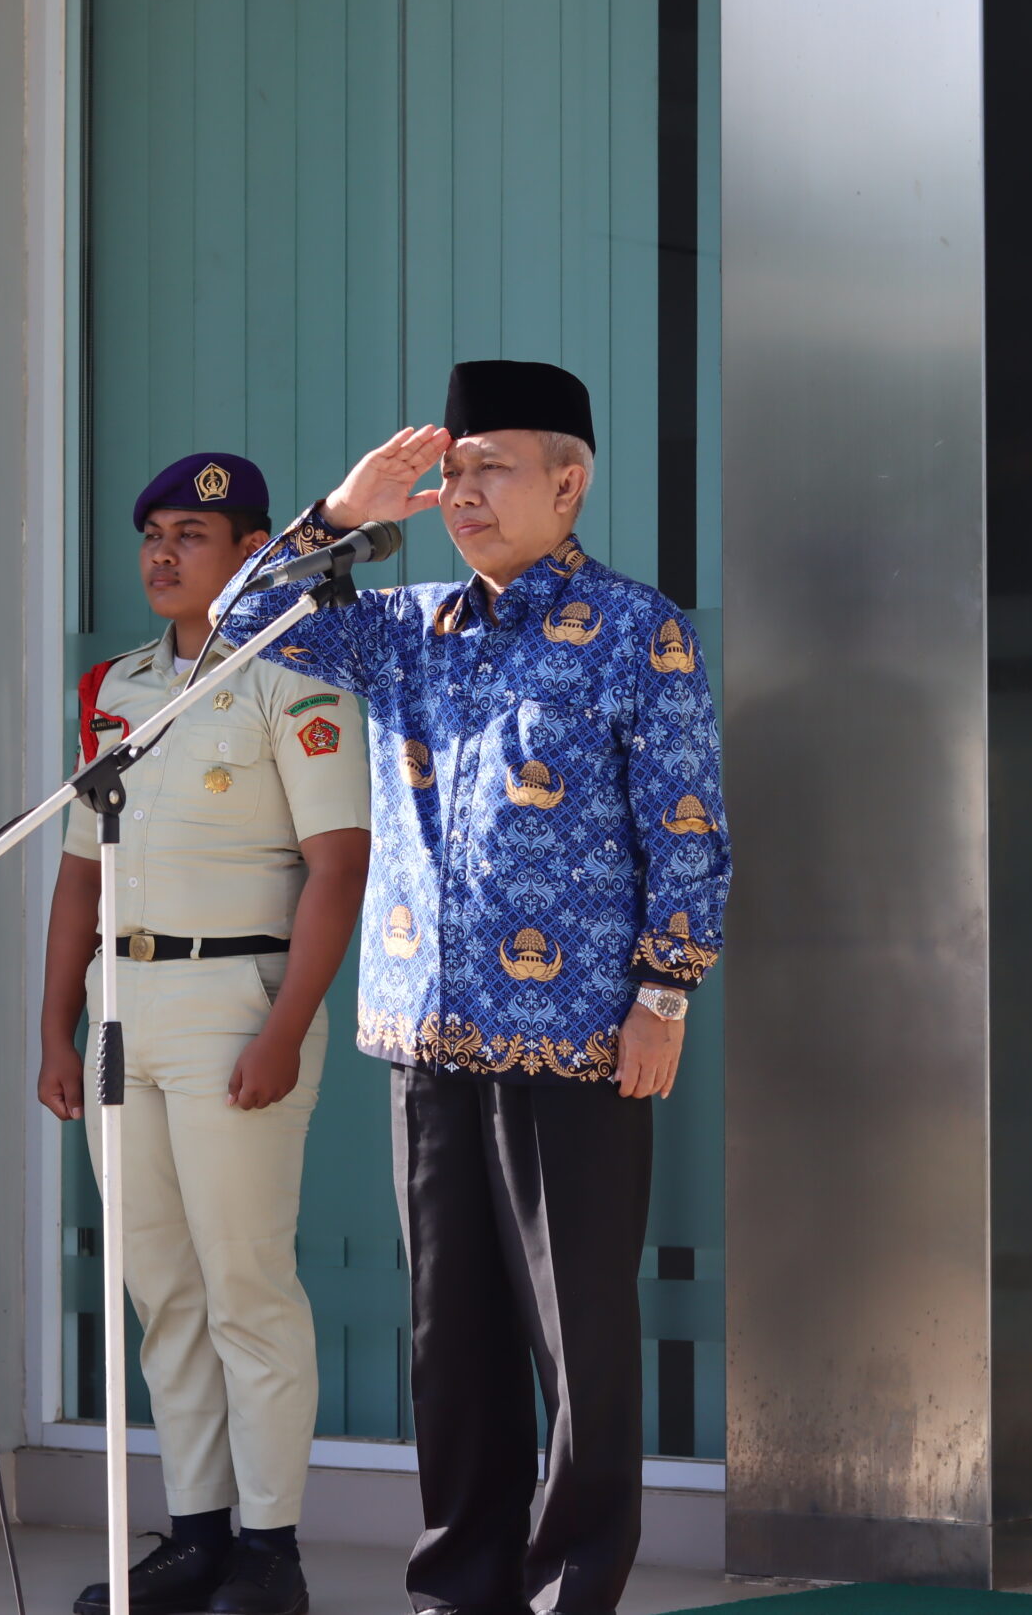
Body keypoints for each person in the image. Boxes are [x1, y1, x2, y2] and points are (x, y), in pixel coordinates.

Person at [213, 360, 732, 1615]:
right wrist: (343, 514)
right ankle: (461, 1589)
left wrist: (664, 992)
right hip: (428, 1035)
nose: (461, 494)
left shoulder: (636, 628)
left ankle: (568, 1593)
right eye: (450, 474)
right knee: (451, 1343)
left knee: (578, 1343)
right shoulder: (407, 626)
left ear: (570, 482)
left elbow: (687, 822)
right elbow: (239, 621)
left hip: (578, 1041)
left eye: (491, 469)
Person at [40, 452, 373, 1615]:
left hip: (238, 1001)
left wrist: (287, 1027)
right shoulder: (118, 688)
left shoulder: (296, 676)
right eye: (153, 535)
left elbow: (339, 868)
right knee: (161, 1290)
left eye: (192, 534)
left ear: (248, 554)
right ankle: (195, 1534)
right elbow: (79, 875)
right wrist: (55, 1029)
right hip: (123, 1009)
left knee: (245, 1287)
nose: (164, 554)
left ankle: (270, 1551)